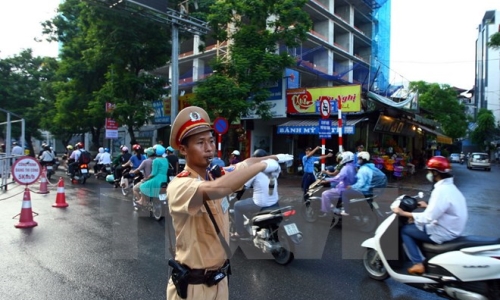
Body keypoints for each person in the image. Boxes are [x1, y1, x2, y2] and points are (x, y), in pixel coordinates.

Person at [166, 106, 281, 300]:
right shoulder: (180, 185)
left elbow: (244, 164)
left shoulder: (213, 175)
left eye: (211, 141)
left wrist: (275, 158)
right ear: (183, 149)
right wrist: (263, 166)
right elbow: (219, 188)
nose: (209, 147)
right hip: (194, 288)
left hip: (220, 281)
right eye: (200, 143)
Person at [392, 156, 468, 275]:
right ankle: (423, 257)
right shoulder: (450, 188)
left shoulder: (441, 191)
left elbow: (428, 218)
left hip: (444, 231)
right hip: (453, 228)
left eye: (429, 171)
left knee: (406, 230)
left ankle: (418, 263)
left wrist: (404, 213)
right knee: (415, 225)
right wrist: (427, 206)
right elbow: (445, 208)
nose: (428, 174)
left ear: (435, 173)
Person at [232, 149, 281, 239]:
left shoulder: (255, 171)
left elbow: (244, 185)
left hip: (260, 203)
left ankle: (240, 232)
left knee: (237, 206)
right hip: (274, 203)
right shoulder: (274, 169)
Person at [341, 151, 387, 216]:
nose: (358, 160)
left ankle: (346, 211)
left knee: (345, 193)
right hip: (370, 190)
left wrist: (351, 186)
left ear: (363, 159)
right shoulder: (371, 167)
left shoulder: (363, 169)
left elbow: (360, 184)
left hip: (365, 190)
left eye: (360, 158)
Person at [318, 151, 357, 217]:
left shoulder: (345, 168)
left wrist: (326, 181)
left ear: (346, 158)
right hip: (349, 186)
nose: (340, 159)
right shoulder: (353, 166)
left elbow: (337, 178)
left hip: (343, 188)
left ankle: (331, 211)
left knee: (325, 194)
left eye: (342, 157)